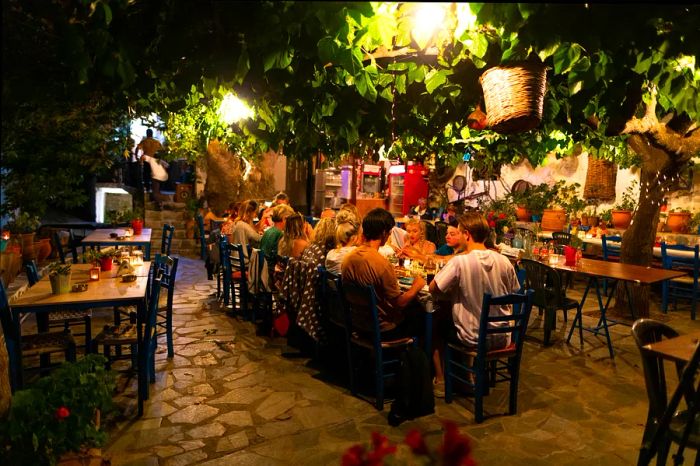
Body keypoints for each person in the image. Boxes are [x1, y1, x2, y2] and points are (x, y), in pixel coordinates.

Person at [429, 212, 520, 392]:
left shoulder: (460, 262)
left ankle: (441, 380)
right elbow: (514, 291)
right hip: (503, 337)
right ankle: (468, 374)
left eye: (460, 232)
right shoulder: (504, 261)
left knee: (436, 326)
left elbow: (434, 289)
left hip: (475, 338)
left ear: (467, 235)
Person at [342, 208, 426, 338]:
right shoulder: (382, 264)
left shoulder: (348, 259)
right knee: (423, 315)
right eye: (390, 232)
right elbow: (399, 303)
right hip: (382, 329)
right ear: (383, 233)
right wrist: (417, 285)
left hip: (357, 325)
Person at [137, 129, 168, 207]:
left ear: (147, 134)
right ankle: (156, 189)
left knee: (146, 173)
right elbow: (162, 150)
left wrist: (136, 156)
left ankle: (147, 188)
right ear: (152, 134)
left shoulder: (144, 141)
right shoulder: (156, 142)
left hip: (147, 159)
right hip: (155, 160)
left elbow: (138, 148)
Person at [261, 204, 295, 270]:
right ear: (284, 219)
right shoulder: (280, 234)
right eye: (290, 219)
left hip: (263, 267)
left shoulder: (268, 231)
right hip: (271, 270)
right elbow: (281, 257)